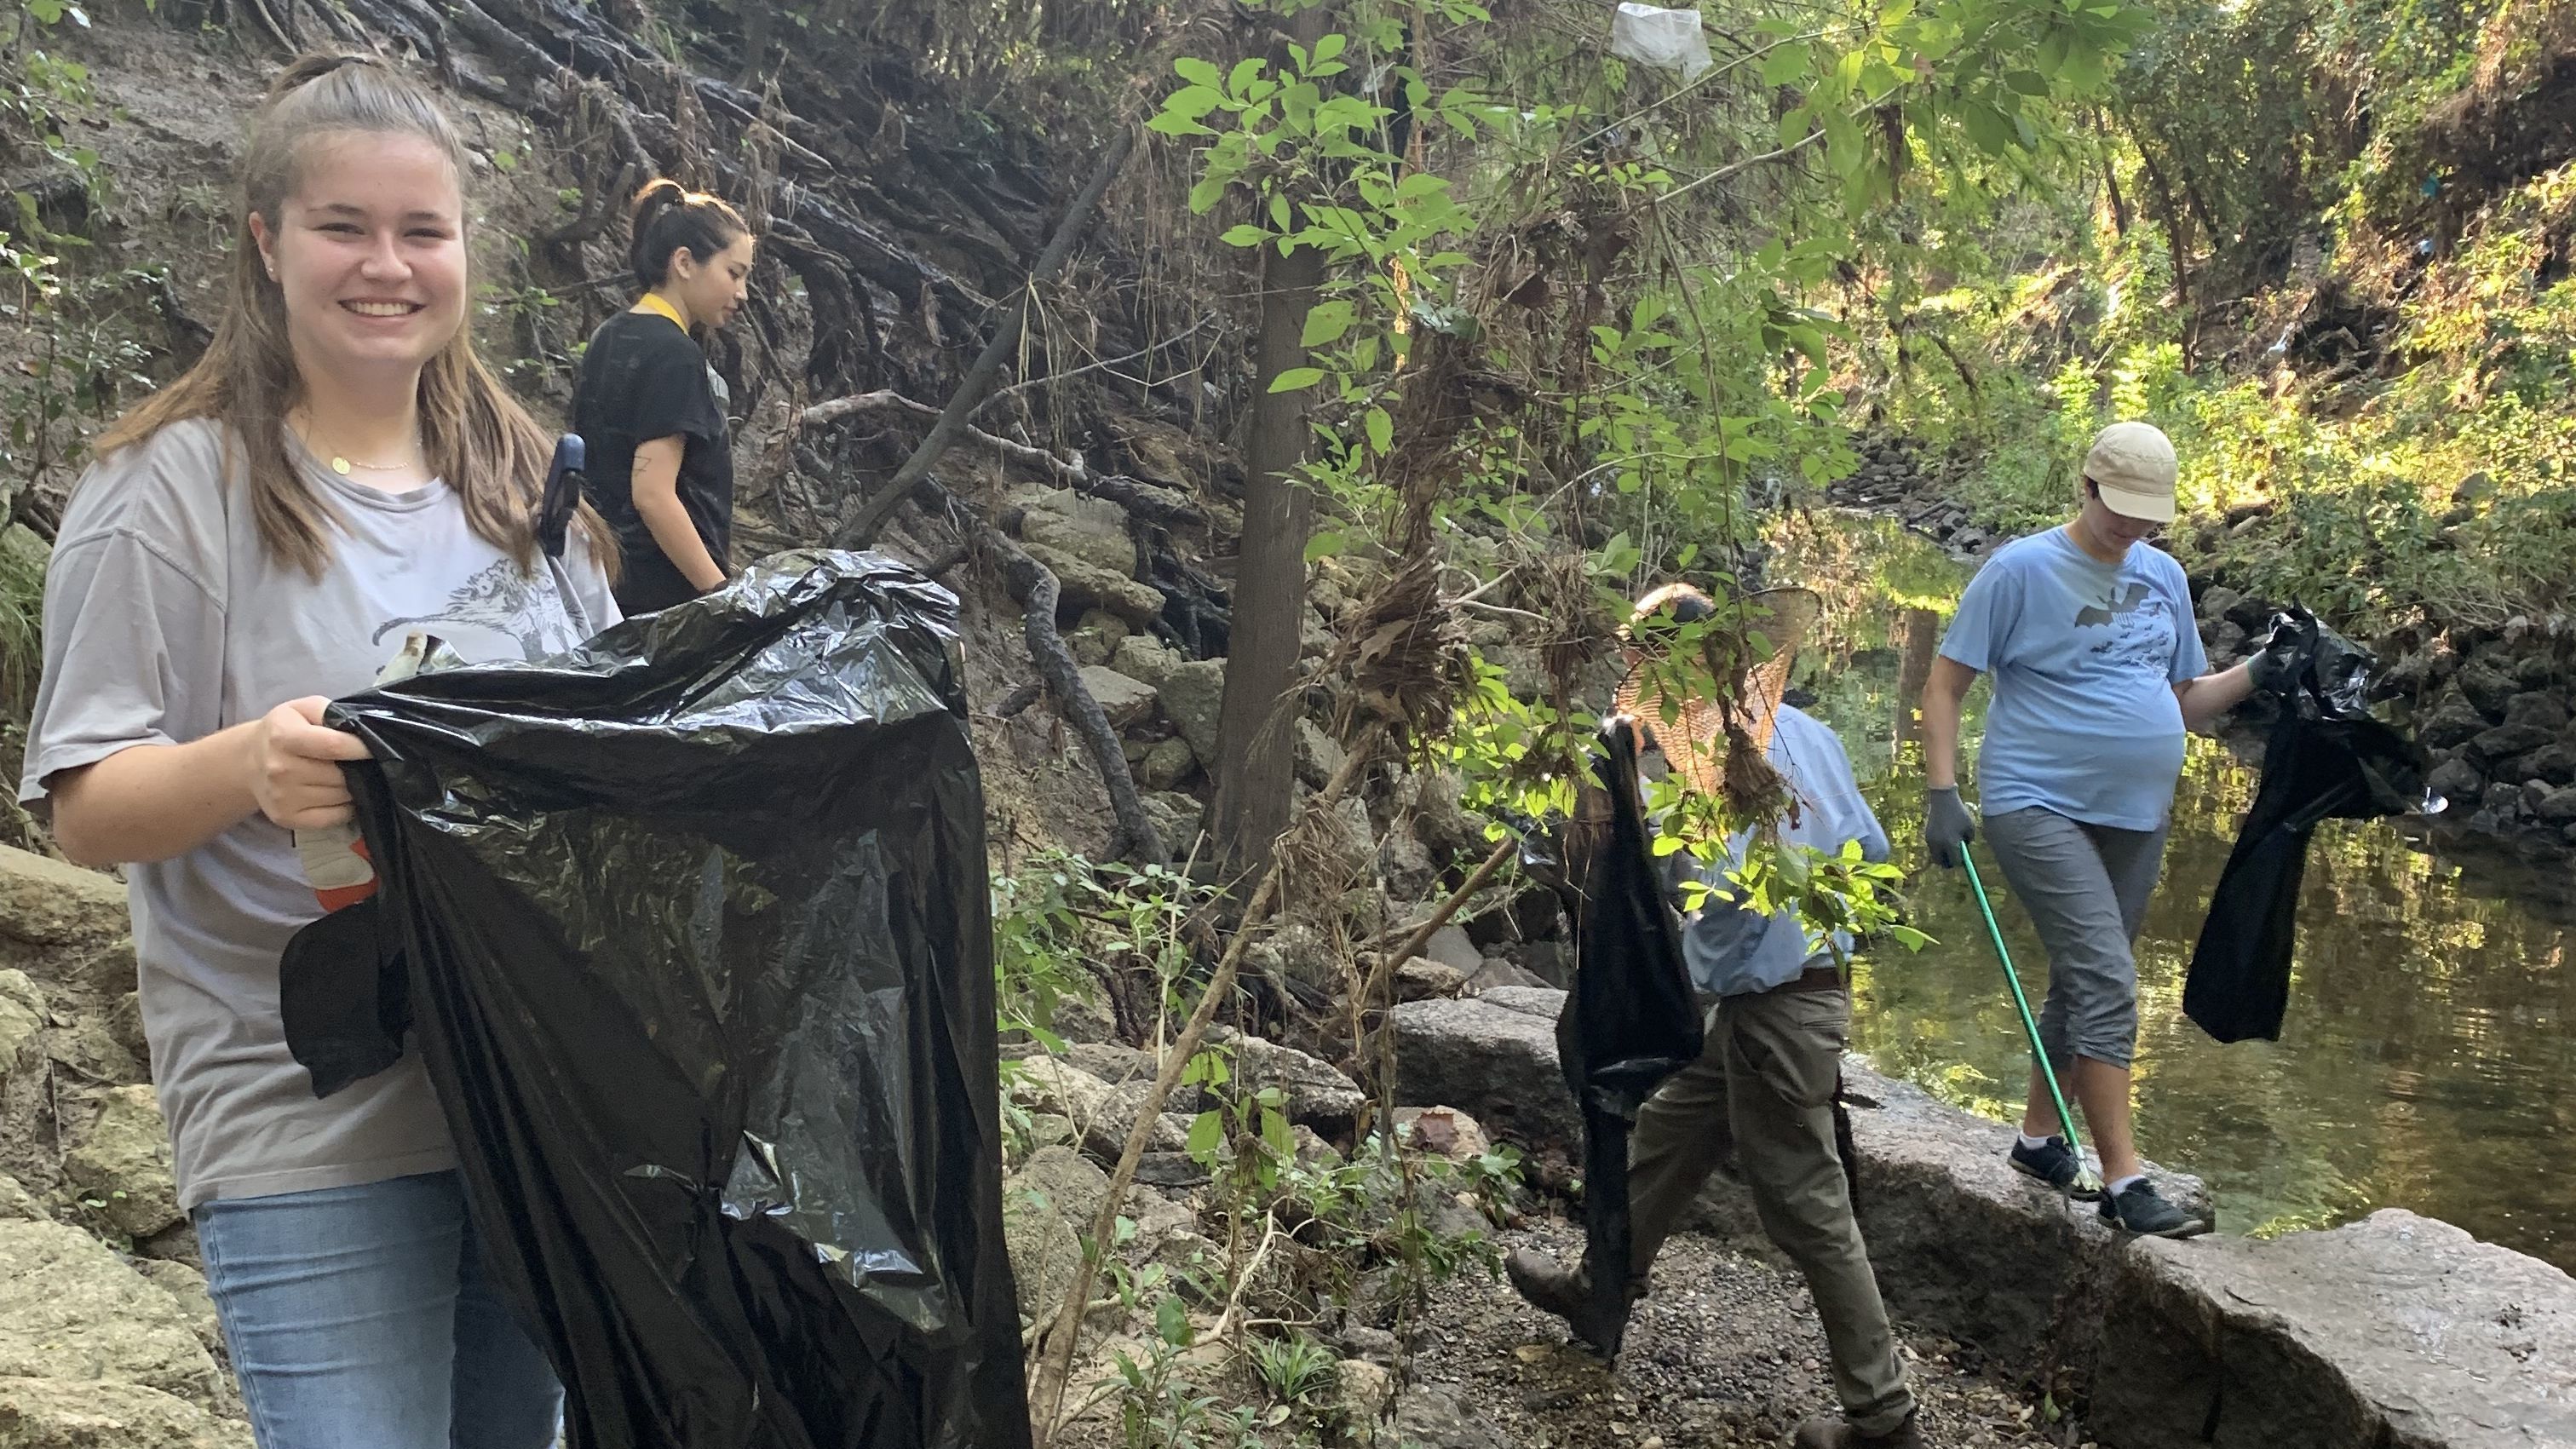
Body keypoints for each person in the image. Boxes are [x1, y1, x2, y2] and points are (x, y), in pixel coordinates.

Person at [16, 54, 620, 1448]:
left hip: (527, 1107)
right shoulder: (168, 490)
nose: (385, 266)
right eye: (343, 227)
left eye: (422, 231)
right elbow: (82, 804)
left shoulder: (526, 485)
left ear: (466, 249)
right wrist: (248, 766)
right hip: (302, 1119)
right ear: (265, 240)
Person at [1508, 583, 1923, 1449]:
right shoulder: (1810, 731)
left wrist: (1676, 936)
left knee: (1808, 1205)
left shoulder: (1710, 763)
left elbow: (1730, 902)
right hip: (1790, 995)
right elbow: (1876, 856)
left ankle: (1883, 1415)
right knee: (1667, 1137)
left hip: (1777, 1010)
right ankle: (1602, 1287)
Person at [1918, 421, 2286, 1239]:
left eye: (2149, 517)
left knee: (2084, 978)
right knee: (2109, 979)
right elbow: (1945, 687)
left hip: (2136, 813)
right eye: (2120, 511)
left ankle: (2037, 1139)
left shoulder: (2164, 576)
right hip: (2034, 800)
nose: (2133, 530)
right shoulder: (2019, 569)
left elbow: (2184, 699)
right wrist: (1942, 792)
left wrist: (2261, 670)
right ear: (2086, 488)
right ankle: (2125, 1180)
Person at [572, 178, 754, 614]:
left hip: (601, 579)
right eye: (735, 273)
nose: (742, 294)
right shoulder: (676, 355)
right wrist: (723, 598)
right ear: (685, 263)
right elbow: (652, 494)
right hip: (658, 597)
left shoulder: (609, 334)